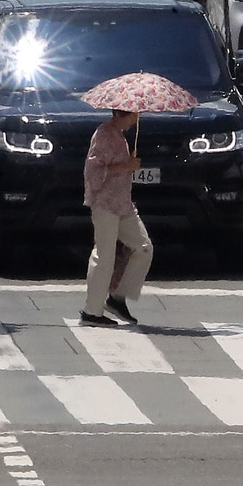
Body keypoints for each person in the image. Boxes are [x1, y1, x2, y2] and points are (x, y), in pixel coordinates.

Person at [80, 109, 151, 327]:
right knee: (104, 256)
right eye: (133, 115)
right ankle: (92, 311)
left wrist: (128, 166)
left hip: (123, 204)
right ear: (121, 114)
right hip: (105, 204)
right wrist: (125, 166)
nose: (136, 119)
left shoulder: (120, 136)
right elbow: (92, 171)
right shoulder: (104, 134)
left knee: (144, 248)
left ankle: (118, 296)